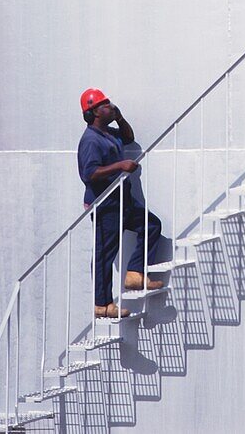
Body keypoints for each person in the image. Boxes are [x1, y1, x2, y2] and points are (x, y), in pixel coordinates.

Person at [77, 88, 165, 319]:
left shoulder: (109, 133)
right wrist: (120, 166)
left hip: (122, 200)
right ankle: (102, 305)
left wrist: (120, 117)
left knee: (151, 225)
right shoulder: (90, 141)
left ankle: (135, 273)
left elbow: (128, 137)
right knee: (105, 254)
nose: (111, 106)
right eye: (105, 105)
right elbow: (89, 174)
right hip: (105, 203)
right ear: (94, 112)